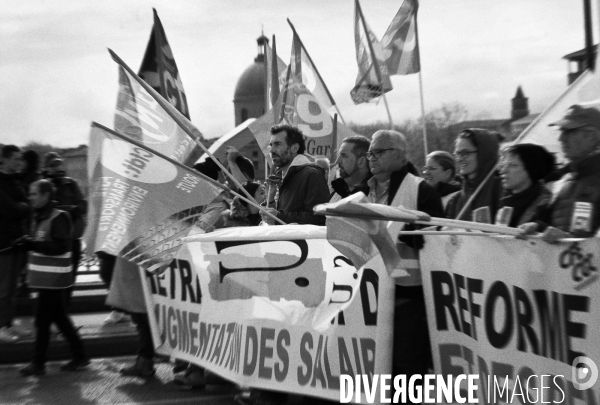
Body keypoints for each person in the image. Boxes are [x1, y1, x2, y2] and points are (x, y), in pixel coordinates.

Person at [365, 130, 444, 402]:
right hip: (371, 299)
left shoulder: (421, 189)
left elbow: (438, 241)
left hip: (409, 298)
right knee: (377, 373)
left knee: (407, 375)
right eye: (369, 153)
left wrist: (411, 227)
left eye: (378, 152)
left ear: (399, 155)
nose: (371, 158)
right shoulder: (364, 192)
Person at [15, 179, 89, 376]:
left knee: (42, 321)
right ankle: (80, 356)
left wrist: (32, 245)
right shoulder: (38, 216)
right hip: (44, 280)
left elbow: (61, 247)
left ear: (46, 195)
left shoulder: (58, 217)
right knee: (59, 318)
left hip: (54, 280)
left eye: (34, 194)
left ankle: (38, 363)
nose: (30, 197)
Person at [520, 104, 600, 241]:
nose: (561, 139)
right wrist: (537, 227)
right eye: (561, 132)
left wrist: (568, 240)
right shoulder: (565, 180)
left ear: (591, 137)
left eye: (568, 131)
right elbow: (556, 225)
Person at [260, 124, 330, 225]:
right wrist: (270, 202)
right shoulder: (281, 177)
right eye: (271, 145)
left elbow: (320, 218)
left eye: (277, 144)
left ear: (294, 148)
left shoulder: (311, 175)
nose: (271, 150)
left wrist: (279, 217)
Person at [42, 152, 87, 307]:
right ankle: (56, 316)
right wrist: (70, 209)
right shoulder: (44, 185)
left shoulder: (70, 183)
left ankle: (63, 314)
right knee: (54, 279)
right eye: (53, 165)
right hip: (54, 240)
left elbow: (83, 205)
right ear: (47, 167)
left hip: (72, 238)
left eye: (59, 164)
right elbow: (46, 209)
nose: (58, 168)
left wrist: (73, 209)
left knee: (70, 278)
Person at [0, 145, 28, 343]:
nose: (20, 162)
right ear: (5, 159)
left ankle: (8, 323)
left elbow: (26, 205)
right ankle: (1, 327)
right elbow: (10, 210)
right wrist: (24, 207)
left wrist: (23, 207)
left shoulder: (14, 180)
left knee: (12, 288)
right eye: (16, 159)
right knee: (3, 288)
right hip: (3, 242)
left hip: (17, 240)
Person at [445, 129, 503, 222]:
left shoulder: (501, 190)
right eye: (457, 154)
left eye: (465, 153)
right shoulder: (455, 200)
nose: (459, 159)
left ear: (483, 153)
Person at [497, 143, 555, 227]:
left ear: (531, 169)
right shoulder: (505, 200)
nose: (504, 171)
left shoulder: (544, 205)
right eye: (503, 165)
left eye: (513, 165)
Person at [330, 135, 371, 202]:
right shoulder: (338, 191)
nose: (337, 161)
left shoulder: (374, 195)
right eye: (339, 155)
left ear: (361, 162)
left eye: (344, 156)